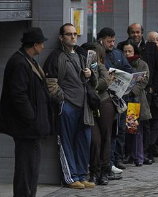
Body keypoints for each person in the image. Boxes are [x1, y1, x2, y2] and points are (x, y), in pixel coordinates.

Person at [0, 27, 52, 197]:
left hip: (31, 127)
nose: (43, 47)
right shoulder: (20, 62)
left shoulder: (28, 60)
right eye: (41, 43)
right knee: (26, 168)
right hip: (26, 128)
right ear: (35, 44)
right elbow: (18, 95)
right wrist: (32, 117)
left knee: (31, 167)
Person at [43, 23, 96, 189]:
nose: (73, 37)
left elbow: (93, 80)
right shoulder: (56, 57)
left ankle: (81, 175)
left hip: (84, 107)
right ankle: (71, 177)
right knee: (66, 143)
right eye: (69, 34)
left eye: (75, 34)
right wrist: (62, 100)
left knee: (84, 142)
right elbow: (50, 83)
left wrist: (90, 74)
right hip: (67, 106)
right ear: (61, 37)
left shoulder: (81, 55)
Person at [97, 27, 133, 172]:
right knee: (107, 132)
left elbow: (129, 70)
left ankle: (116, 159)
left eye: (113, 41)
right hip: (105, 99)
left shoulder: (118, 53)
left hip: (120, 98)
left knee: (120, 130)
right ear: (101, 40)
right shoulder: (98, 54)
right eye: (109, 41)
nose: (112, 44)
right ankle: (106, 163)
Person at [80, 42, 116, 185]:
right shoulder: (81, 66)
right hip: (89, 106)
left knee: (106, 137)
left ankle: (104, 171)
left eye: (92, 54)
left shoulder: (100, 66)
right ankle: (94, 171)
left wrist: (92, 82)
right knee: (95, 140)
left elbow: (105, 81)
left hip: (104, 103)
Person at [121, 40, 152, 166]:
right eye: (125, 51)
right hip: (122, 101)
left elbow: (144, 81)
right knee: (125, 131)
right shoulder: (120, 63)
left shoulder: (142, 64)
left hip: (135, 101)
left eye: (130, 51)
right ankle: (128, 155)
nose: (127, 53)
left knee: (135, 130)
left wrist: (131, 91)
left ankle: (138, 157)